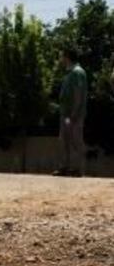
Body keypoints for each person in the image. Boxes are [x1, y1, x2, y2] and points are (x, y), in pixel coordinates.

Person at [54, 48, 87, 177]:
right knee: (64, 140)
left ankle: (77, 168)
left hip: (74, 114)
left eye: (62, 56)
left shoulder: (77, 72)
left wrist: (74, 113)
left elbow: (78, 94)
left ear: (67, 57)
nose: (60, 59)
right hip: (66, 114)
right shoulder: (70, 73)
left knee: (76, 140)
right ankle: (64, 167)